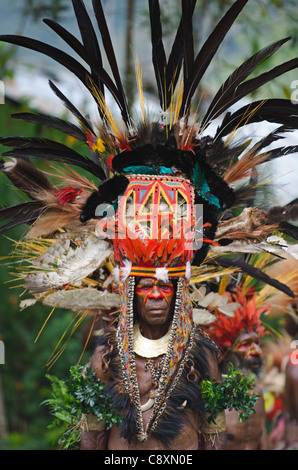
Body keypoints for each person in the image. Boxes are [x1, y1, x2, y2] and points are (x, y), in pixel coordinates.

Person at [80, 276, 226, 450]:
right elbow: (93, 433)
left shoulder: (200, 352)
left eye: (164, 287)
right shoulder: (107, 354)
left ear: (178, 293)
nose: (156, 295)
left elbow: (215, 431)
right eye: (146, 287)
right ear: (131, 294)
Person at [205, 286, 270, 450]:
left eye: (257, 343)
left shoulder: (258, 394)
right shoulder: (211, 398)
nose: (256, 351)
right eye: (246, 344)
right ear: (225, 352)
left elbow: (264, 444)